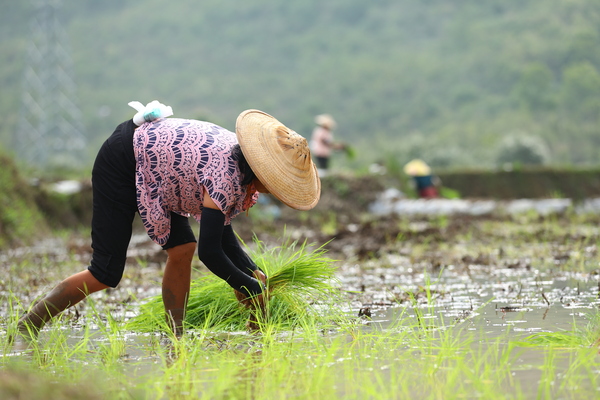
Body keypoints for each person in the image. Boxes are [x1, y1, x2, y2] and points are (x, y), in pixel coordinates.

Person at [15, 103, 321, 340]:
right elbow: (211, 253)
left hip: (159, 168)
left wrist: (252, 270)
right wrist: (250, 287)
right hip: (123, 160)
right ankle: (29, 325)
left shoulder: (239, 164)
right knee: (105, 273)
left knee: (182, 248)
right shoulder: (225, 174)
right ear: (263, 171)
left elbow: (221, 233)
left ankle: (176, 336)